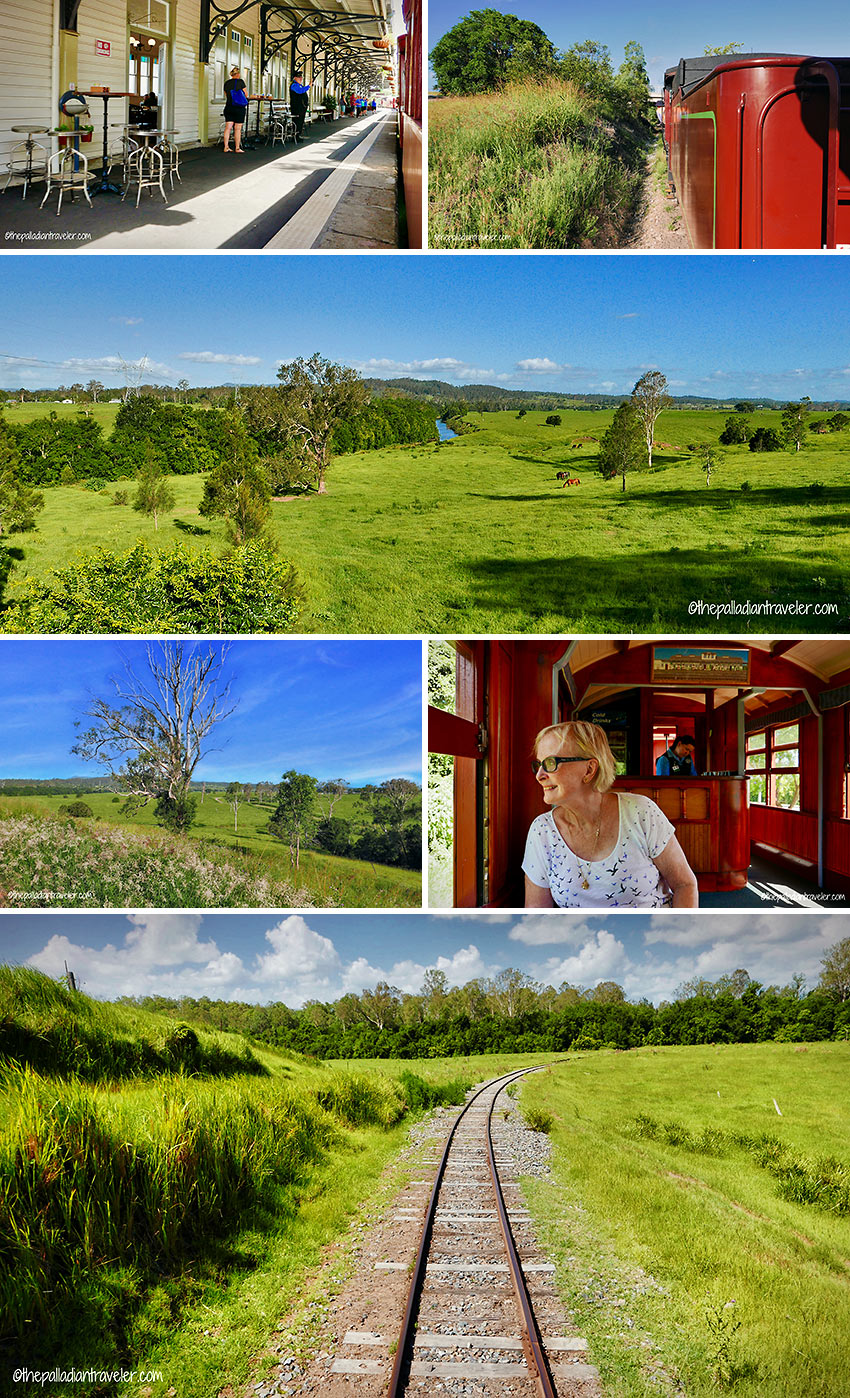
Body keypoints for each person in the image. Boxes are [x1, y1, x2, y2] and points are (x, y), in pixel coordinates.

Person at [523, 720, 699, 908]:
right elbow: (537, 915)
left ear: (589, 769)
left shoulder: (641, 812)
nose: (539, 775)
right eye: (539, 764)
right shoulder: (542, 831)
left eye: (551, 763)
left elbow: (684, 885)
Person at [223, 66, 248, 153]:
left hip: (229, 107)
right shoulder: (241, 82)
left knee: (228, 127)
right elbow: (245, 94)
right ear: (238, 74)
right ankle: (237, 148)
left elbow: (226, 95)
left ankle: (226, 147)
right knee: (237, 128)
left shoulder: (226, 83)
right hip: (239, 108)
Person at [289, 71, 310, 138]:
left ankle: (298, 134)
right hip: (296, 107)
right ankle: (296, 135)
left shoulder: (299, 85)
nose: (301, 79)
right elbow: (300, 91)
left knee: (300, 121)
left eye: (301, 77)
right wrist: (309, 86)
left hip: (301, 107)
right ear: (295, 78)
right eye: (299, 77)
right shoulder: (294, 85)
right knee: (297, 121)